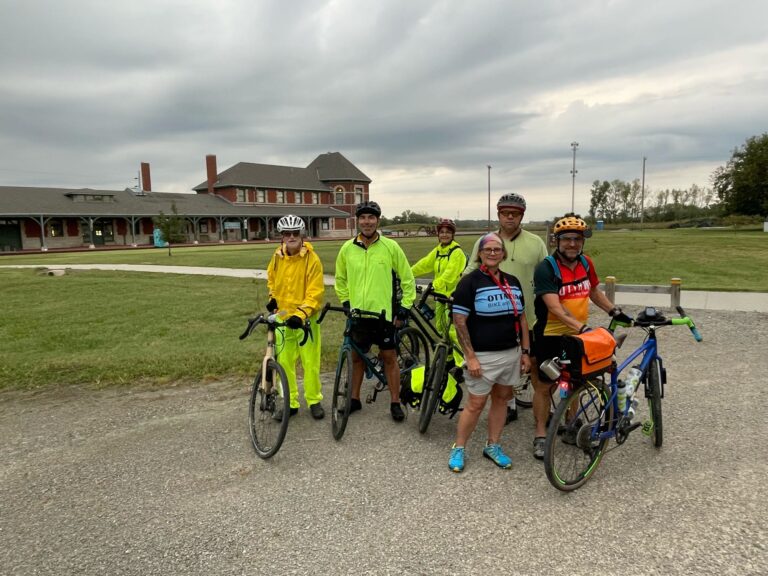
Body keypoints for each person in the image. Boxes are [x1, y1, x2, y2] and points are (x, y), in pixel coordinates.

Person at [532, 213, 629, 456]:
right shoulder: (547, 268)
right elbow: (554, 306)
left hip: (576, 336)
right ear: (556, 241)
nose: (572, 244)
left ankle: (571, 425)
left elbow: (593, 291)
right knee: (545, 387)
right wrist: (582, 328)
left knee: (575, 381)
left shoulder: (586, 263)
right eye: (566, 239)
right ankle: (541, 435)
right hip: (550, 335)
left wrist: (613, 310)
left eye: (577, 239)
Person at [465, 193, 548, 439]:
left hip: (527, 317)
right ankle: (508, 405)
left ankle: (539, 415)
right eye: (505, 212)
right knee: (503, 363)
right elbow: (471, 268)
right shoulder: (486, 241)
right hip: (492, 318)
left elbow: (547, 273)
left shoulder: (535, 243)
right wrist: (460, 291)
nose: (509, 217)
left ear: (522, 216)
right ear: (498, 214)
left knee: (530, 364)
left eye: (515, 213)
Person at [448, 233, 531, 473]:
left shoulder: (513, 281)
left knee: (502, 398)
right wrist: (470, 356)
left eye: (497, 249)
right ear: (480, 254)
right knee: (475, 403)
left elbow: (522, 319)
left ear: (503, 254)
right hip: (482, 356)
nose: (493, 253)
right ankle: (459, 447)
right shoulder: (470, 282)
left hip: (510, 352)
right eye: (488, 249)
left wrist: (525, 352)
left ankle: (492, 445)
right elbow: (459, 321)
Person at [334, 200, 416, 422]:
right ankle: (354, 400)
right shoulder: (347, 249)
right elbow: (340, 279)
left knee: (389, 357)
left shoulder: (391, 247)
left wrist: (405, 307)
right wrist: (346, 302)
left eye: (371, 218)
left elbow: (408, 279)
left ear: (377, 220)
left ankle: (395, 402)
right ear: (357, 221)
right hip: (358, 315)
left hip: (384, 315)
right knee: (357, 357)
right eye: (363, 218)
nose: (367, 222)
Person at [265, 214, 325, 419]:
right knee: (285, 363)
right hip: (283, 317)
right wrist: (273, 298)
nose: (291, 237)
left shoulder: (312, 259)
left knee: (310, 363)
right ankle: (290, 403)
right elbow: (272, 280)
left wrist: (301, 314)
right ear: (281, 236)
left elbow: (315, 292)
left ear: (302, 235)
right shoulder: (276, 257)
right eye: (286, 233)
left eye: (295, 233)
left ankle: (314, 400)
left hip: (306, 319)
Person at [408, 218, 465, 411]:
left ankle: (462, 363)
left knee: (453, 331)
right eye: (442, 232)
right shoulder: (439, 251)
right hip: (440, 297)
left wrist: (433, 286)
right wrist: (406, 274)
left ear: (453, 234)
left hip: (454, 298)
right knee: (441, 328)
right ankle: (448, 360)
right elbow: (424, 264)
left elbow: (450, 274)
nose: (444, 235)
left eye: (448, 232)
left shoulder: (456, 252)